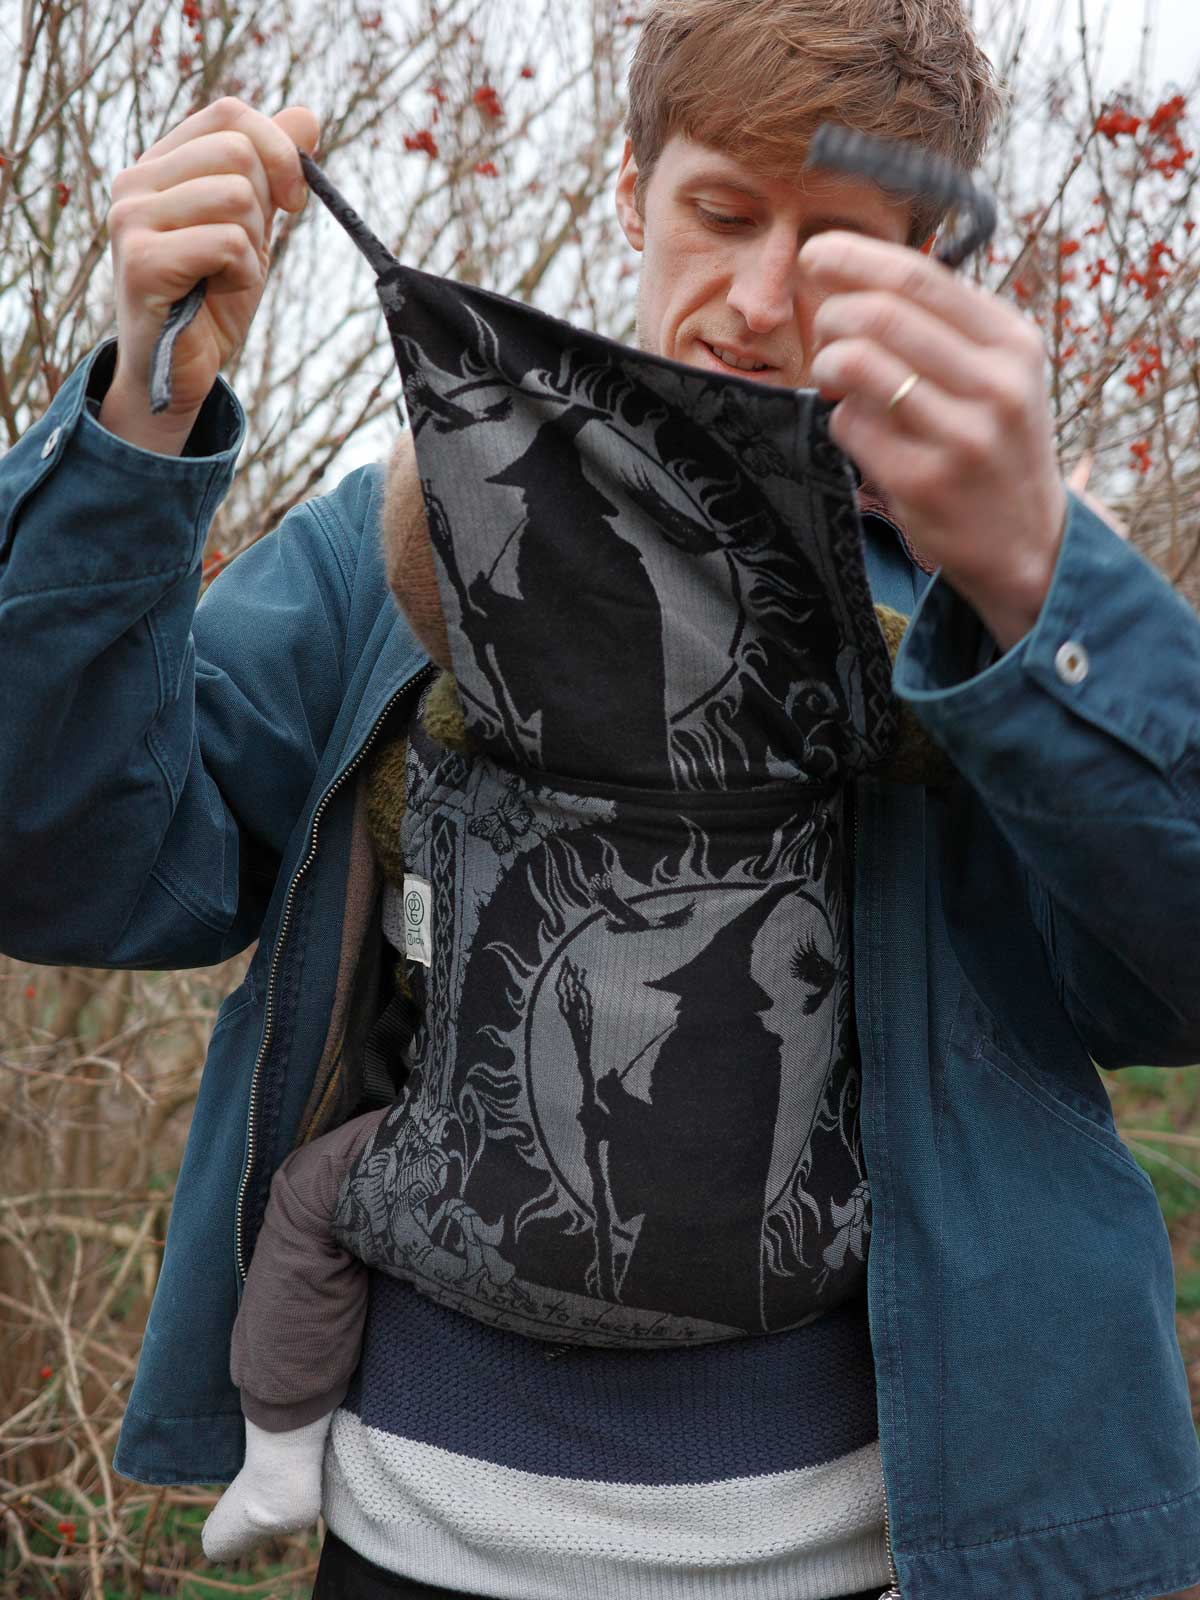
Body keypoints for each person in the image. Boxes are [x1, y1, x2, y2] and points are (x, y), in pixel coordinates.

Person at [1, 0, 1199, 1596]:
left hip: (877, 1549)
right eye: (721, 212)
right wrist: (133, 428)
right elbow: (69, 866)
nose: (761, 298)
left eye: (835, 243)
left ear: (931, 268)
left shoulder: (993, 595)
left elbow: (1170, 974)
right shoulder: (397, 545)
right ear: (632, 190)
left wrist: (1045, 583)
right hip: (415, 1529)